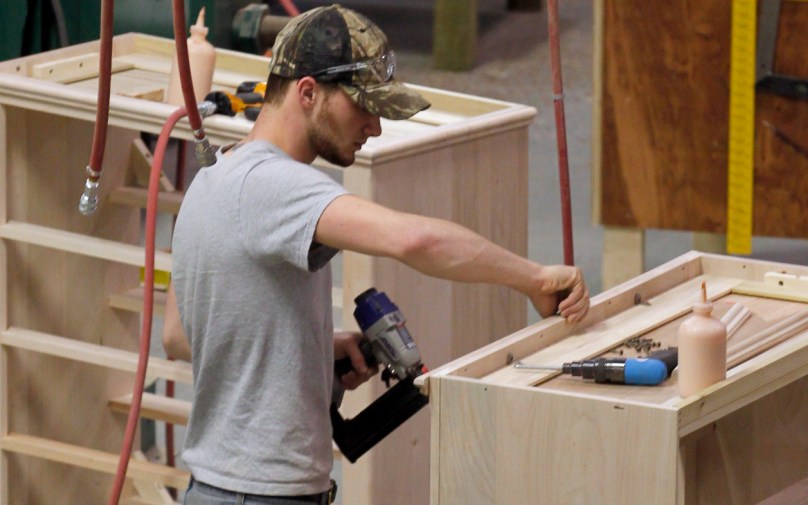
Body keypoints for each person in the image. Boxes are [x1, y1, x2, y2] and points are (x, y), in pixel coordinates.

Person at [165, 4, 590, 504]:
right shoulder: (277, 185)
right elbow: (417, 241)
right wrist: (533, 278)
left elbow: (178, 335)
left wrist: (311, 349)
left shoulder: (216, 176)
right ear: (307, 92)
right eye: (363, 106)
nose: (375, 126)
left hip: (222, 488)